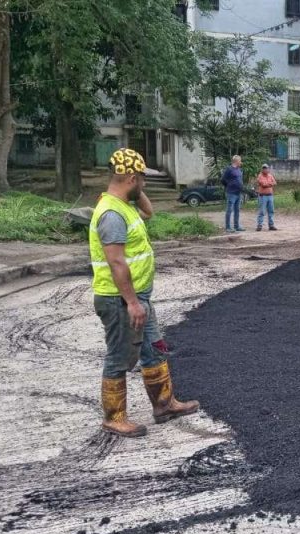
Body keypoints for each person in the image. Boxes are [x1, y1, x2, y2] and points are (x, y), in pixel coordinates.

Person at [89, 148, 200, 437]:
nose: (145, 183)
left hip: (140, 297)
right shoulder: (111, 213)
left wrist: (137, 192)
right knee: (119, 355)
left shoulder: (124, 204)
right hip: (119, 300)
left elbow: (148, 213)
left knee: (154, 349)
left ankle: (164, 405)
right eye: (141, 179)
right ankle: (114, 417)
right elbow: (116, 262)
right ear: (130, 177)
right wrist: (132, 303)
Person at [221, 155, 245, 232]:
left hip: (238, 193)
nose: (241, 162)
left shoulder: (238, 169)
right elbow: (223, 180)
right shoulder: (229, 169)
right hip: (231, 193)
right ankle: (228, 227)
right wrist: (229, 185)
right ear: (236, 161)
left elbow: (239, 180)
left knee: (237, 210)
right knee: (229, 210)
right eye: (240, 161)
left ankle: (236, 226)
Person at [256, 164, 278, 231]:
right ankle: (259, 225)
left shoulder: (270, 175)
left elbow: (275, 183)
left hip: (270, 196)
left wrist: (268, 184)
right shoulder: (260, 176)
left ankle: (271, 225)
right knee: (262, 211)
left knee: (271, 211)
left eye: (266, 168)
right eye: (264, 168)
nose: (265, 169)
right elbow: (263, 185)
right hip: (263, 196)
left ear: (268, 169)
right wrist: (270, 184)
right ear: (262, 169)